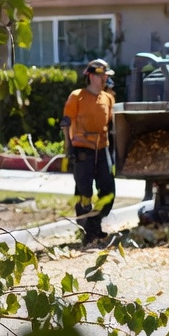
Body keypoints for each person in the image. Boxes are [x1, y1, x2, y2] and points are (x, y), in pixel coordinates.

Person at [61, 58, 116, 246]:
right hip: (82, 150)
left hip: (102, 149)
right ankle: (88, 232)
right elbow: (66, 123)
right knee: (84, 193)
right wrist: (69, 149)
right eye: (103, 76)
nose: (105, 79)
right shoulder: (77, 97)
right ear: (92, 76)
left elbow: (112, 126)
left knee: (108, 191)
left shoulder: (108, 98)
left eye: (107, 76)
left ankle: (94, 223)